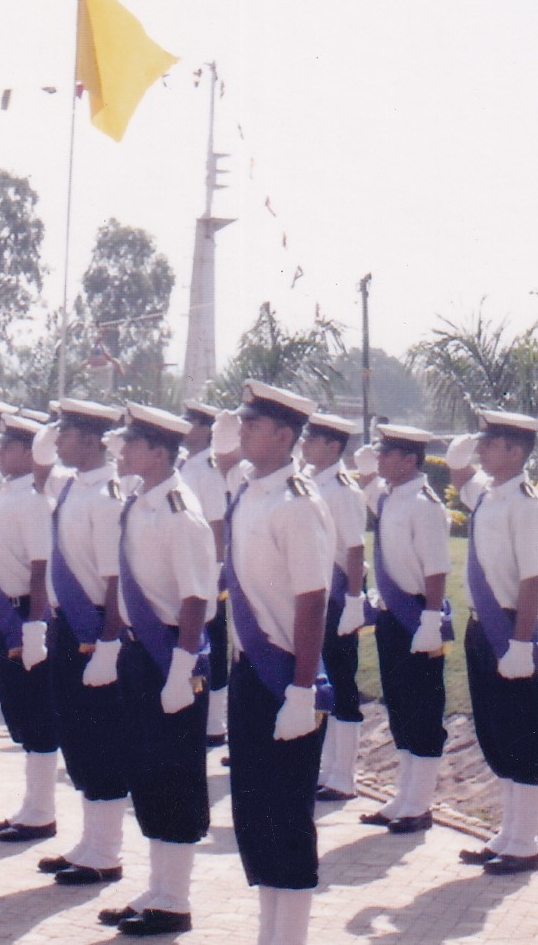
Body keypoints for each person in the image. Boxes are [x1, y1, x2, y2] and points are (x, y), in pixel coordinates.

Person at [96, 404, 216, 938]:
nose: (122, 452)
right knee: (146, 772)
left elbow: (195, 597)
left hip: (170, 654)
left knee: (174, 775)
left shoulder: (178, 511)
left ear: (159, 452)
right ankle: (157, 889)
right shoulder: (140, 502)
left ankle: (176, 899)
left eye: (132, 444)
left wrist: (181, 668)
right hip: (141, 653)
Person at [221, 381, 333, 944]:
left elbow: (312, 600)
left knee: (286, 816)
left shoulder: (297, 504)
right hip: (250, 670)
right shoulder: (250, 492)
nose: (241, 431)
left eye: (253, 424)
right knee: (255, 813)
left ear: (285, 435)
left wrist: (302, 689)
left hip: (287, 673)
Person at [446, 410, 538, 876]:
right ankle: (509, 833)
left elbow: (533, 579)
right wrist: (460, 455)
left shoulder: (525, 504)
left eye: (491, 443)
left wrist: (521, 643)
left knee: (520, 734)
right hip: (481, 626)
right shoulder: (490, 494)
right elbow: (460, 478)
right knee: (494, 731)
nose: (483, 450)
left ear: (516, 451)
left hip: (510, 626)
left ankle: (525, 841)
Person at [33, 398, 130, 886]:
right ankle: (90, 842)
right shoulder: (75, 485)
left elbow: (115, 580)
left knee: (102, 740)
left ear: (92, 440)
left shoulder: (107, 496)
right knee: (77, 737)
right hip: (68, 626)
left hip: (94, 631)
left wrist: (109, 643)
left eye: (66, 434)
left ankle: (106, 851)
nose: (59, 442)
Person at [355, 423, 451, 834]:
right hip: (393, 616)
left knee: (422, 709)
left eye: (386, 453)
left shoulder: (424, 505)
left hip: (417, 615)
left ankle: (420, 803)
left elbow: (436, 568)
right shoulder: (391, 494)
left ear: (410, 460)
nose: (378, 458)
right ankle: (404, 796)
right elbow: (366, 487)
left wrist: (430, 619)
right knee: (399, 706)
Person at [0, 414, 59, 842]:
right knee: (20, 712)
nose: (0, 452)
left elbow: (41, 568)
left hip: (25, 613)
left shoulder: (34, 499)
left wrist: (35, 627)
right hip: (3, 610)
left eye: (8, 446)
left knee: (37, 713)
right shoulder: (7, 493)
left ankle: (42, 811)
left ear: (28, 451)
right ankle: (30, 805)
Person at [292, 411, 369, 805]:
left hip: (340, 595)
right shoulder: (307, 480)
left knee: (341, 679)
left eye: (312, 439)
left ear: (333, 446)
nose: (304, 445)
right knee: (320, 675)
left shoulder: (343, 490)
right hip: (316, 591)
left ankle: (344, 775)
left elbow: (354, 549)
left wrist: (354, 600)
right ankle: (325, 768)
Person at [178, 403, 231, 747]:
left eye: (190, 421)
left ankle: (215, 722)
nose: (184, 426)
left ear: (205, 428)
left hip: (205, 571)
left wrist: (214, 572)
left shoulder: (208, 470)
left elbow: (217, 524)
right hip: (187, 567)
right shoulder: (186, 463)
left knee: (213, 642)